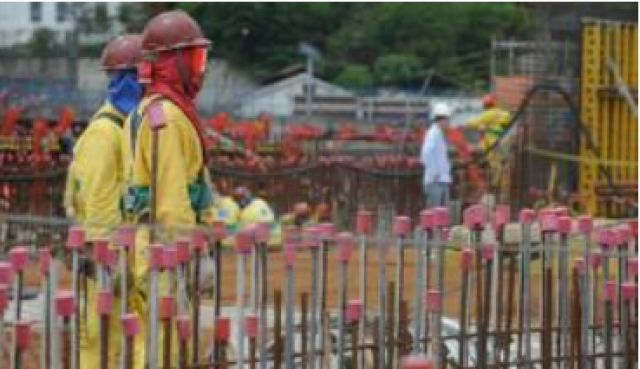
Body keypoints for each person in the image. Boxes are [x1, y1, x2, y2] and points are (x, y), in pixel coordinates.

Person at [121, 10, 213, 366]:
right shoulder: (168, 119)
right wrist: (189, 254)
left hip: (148, 246)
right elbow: (172, 199)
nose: (200, 67)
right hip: (162, 252)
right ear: (172, 62)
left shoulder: (148, 109)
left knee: (154, 342)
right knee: (164, 349)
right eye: (194, 57)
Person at [65, 34, 143, 368]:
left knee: (128, 343)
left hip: (124, 263)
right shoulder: (105, 133)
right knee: (98, 346)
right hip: (106, 268)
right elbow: (98, 206)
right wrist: (108, 264)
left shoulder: (126, 128)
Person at [467, 93, 511, 190]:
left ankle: (494, 185)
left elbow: (473, 123)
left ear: (485, 104)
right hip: (502, 142)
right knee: (499, 164)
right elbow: (506, 120)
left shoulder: (488, 114)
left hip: (491, 143)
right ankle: (496, 184)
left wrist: (467, 123)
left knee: (494, 164)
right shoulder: (503, 113)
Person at [421, 102, 452, 207]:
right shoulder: (433, 134)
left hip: (441, 180)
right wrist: (434, 172)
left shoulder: (438, 134)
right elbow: (426, 153)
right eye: (448, 120)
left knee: (441, 215)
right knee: (435, 215)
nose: (449, 122)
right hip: (435, 181)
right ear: (441, 119)